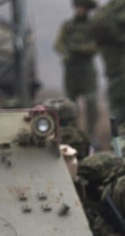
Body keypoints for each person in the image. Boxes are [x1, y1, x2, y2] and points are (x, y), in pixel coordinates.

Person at [54, 0, 99, 140]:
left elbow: (94, 46)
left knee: (91, 102)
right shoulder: (68, 26)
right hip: (71, 70)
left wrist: (76, 49)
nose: (80, 10)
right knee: (70, 104)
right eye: (78, 7)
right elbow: (58, 44)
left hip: (87, 70)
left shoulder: (93, 26)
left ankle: (91, 134)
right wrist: (68, 52)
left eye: (83, 7)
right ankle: (73, 134)